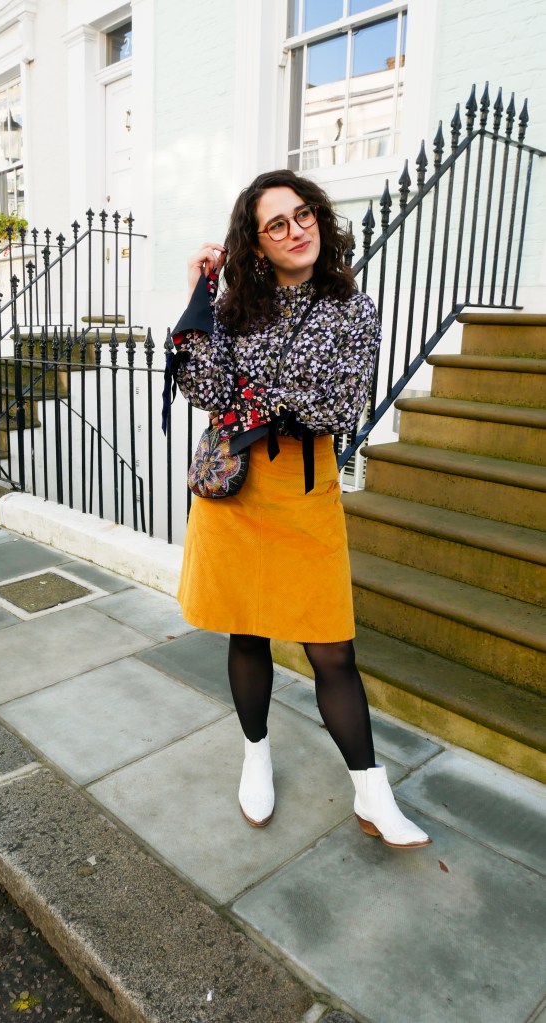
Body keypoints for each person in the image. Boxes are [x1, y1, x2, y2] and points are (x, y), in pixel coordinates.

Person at [166, 169, 431, 849]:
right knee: (247, 632)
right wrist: (199, 293)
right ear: (256, 243)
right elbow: (205, 389)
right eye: (276, 224)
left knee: (331, 648)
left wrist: (258, 402)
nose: (295, 230)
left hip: (305, 494)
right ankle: (255, 757)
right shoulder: (235, 308)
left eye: (303, 213)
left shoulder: (351, 308)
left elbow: (340, 407)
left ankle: (372, 793)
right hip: (235, 494)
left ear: (319, 217)